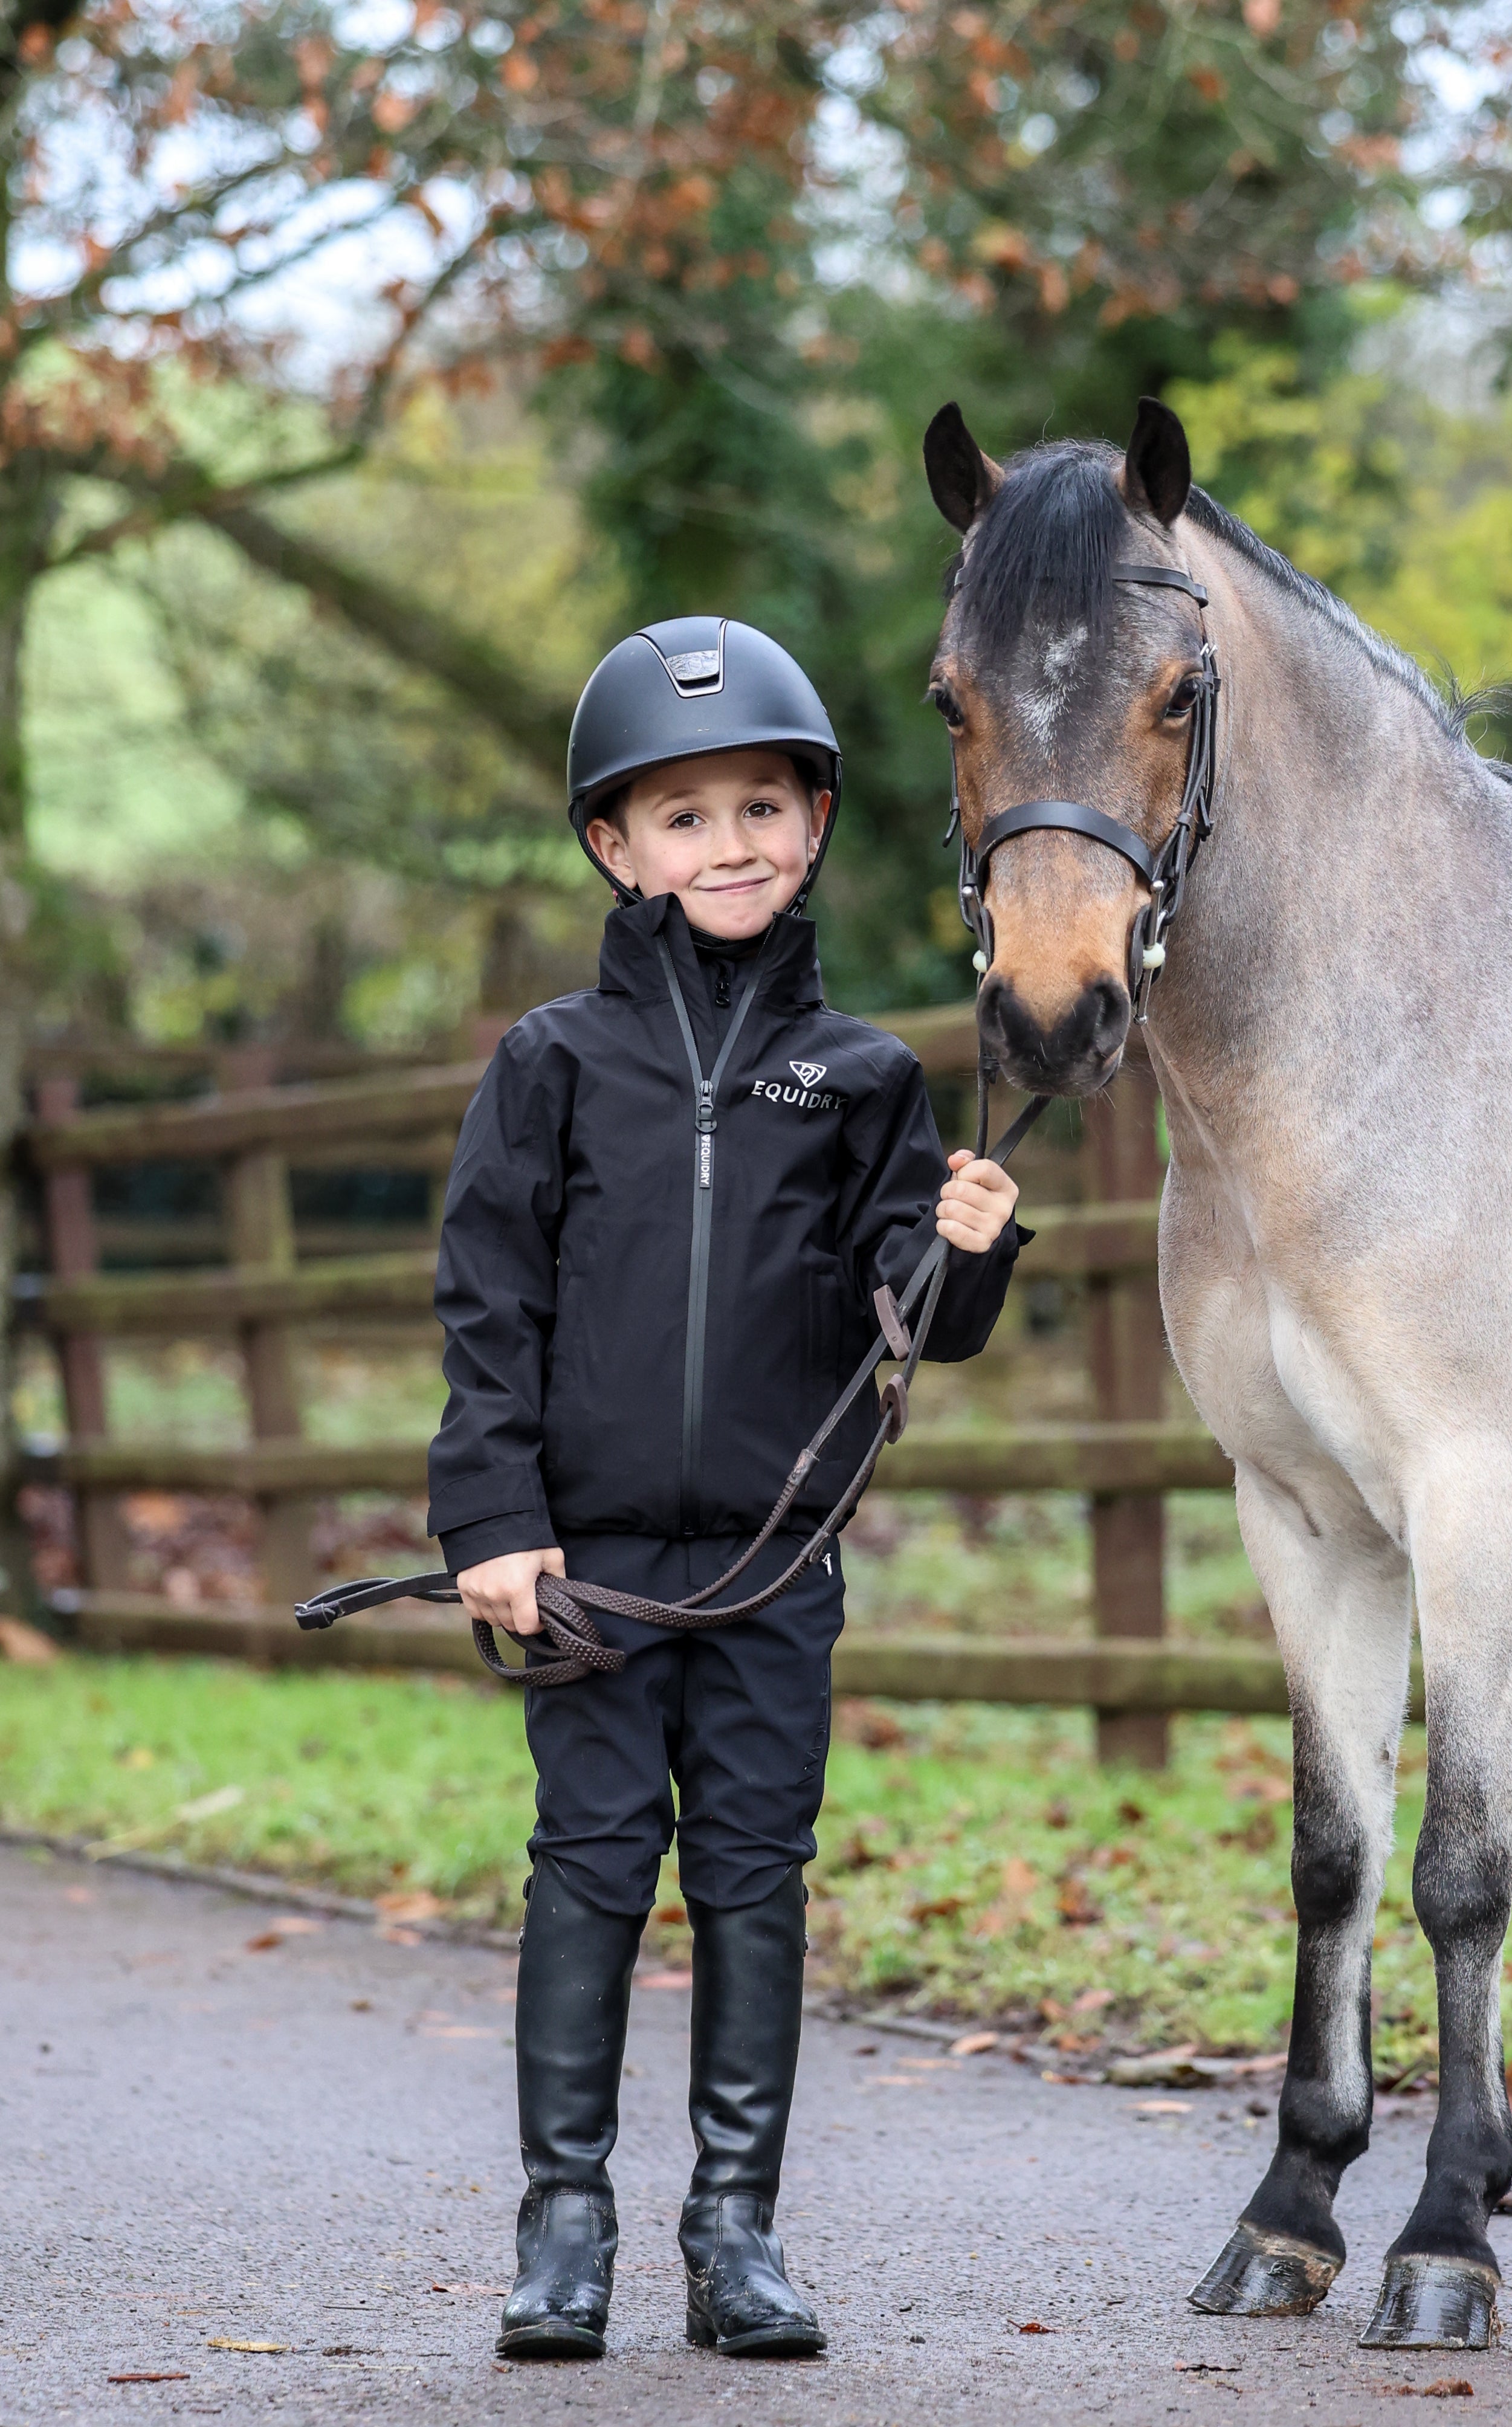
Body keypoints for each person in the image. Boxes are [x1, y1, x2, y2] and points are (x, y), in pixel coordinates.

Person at [427, 616, 1025, 2364]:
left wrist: (968, 1248)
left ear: (817, 822)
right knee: (591, 1867)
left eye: (762, 804)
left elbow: (917, 1318)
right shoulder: (552, 1064)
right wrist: (491, 1522)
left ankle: (736, 2230)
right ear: (615, 847)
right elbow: (488, 1306)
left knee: (755, 1877)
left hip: (771, 1566)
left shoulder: (859, 1080)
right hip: (589, 1562)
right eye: (684, 816)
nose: (731, 842)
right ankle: (565, 2224)